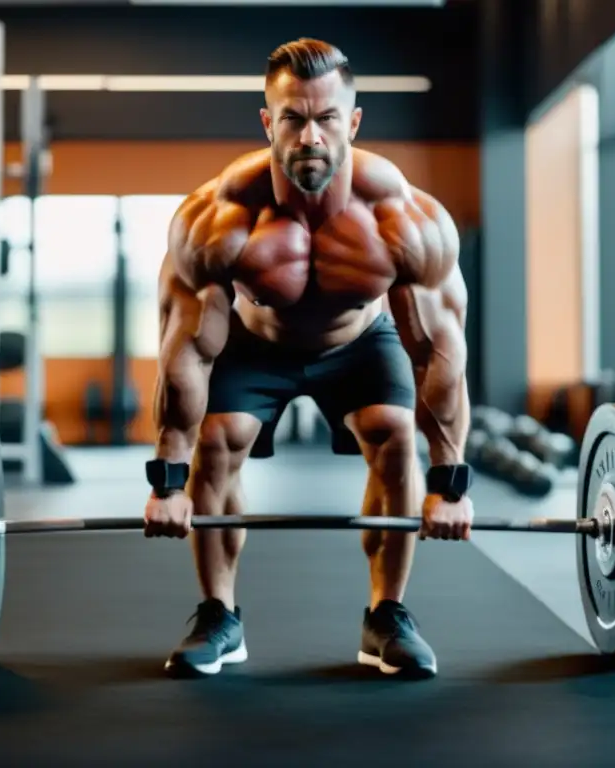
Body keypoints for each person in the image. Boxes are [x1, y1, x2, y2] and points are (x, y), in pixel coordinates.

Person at [144, 38, 472, 680]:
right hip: (257, 339)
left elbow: (437, 351)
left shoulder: (401, 220)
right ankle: (218, 615)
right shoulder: (219, 219)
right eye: (293, 118)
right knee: (218, 437)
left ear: (352, 121)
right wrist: (166, 484)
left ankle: (388, 617)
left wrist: (449, 484)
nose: (310, 136)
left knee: (394, 434)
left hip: (361, 340)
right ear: (268, 121)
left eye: (326, 118)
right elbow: (183, 350)